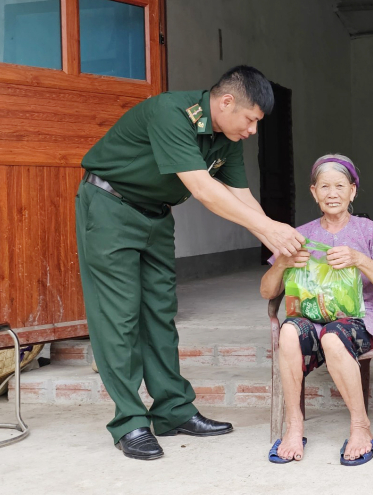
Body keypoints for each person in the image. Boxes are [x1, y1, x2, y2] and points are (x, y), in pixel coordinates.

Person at [76, 66, 306, 461]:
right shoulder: (171, 113)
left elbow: (239, 194)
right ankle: (130, 422)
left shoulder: (228, 136)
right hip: (110, 207)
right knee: (119, 317)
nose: (252, 130)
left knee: (161, 314)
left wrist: (274, 239)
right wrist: (270, 231)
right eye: (250, 120)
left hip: (156, 215)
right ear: (227, 101)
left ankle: (173, 410)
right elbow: (203, 189)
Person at [259, 154, 373, 465]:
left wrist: (359, 259)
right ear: (313, 192)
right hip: (310, 319)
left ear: (353, 191)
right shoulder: (299, 234)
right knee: (288, 330)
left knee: (333, 336)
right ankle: (294, 428)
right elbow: (268, 292)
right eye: (325, 186)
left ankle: (361, 427)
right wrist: (282, 262)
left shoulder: (368, 231)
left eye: (340, 186)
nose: (332, 193)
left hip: (356, 321)